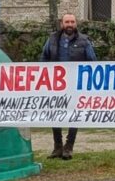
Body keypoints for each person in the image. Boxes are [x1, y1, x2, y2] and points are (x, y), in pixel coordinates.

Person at [40, 13, 96, 160]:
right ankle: (57, 147)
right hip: (55, 84)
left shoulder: (84, 41)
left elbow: (92, 61)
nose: (70, 24)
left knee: (74, 115)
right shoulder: (52, 39)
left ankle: (69, 147)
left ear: (76, 24)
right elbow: (44, 58)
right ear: (62, 24)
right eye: (67, 22)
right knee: (55, 114)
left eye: (72, 21)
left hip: (75, 84)